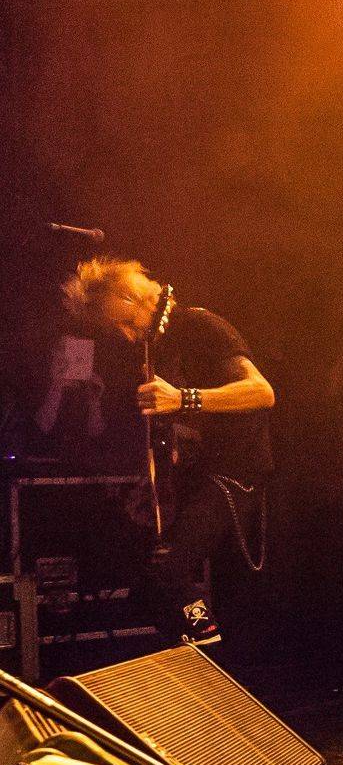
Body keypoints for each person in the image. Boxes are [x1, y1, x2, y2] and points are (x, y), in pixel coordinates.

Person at [61, 257, 275, 645]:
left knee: (168, 569)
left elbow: (261, 392)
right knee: (143, 577)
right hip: (198, 473)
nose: (127, 335)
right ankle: (193, 641)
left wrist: (182, 399)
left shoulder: (200, 325)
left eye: (126, 322)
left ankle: (208, 641)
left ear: (133, 296)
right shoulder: (158, 347)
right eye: (117, 329)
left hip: (235, 472)